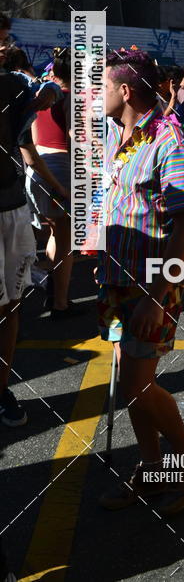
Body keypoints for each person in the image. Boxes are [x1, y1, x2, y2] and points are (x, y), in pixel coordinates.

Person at [98, 48, 184, 516]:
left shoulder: (168, 137)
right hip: (117, 281)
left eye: (100, 85)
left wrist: (155, 298)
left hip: (150, 287)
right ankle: (153, 469)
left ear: (124, 91)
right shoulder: (118, 135)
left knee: (138, 385)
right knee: (129, 381)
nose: (94, 94)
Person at [27, 47, 77, 317]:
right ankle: (60, 301)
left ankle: (52, 291)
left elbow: (32, 138)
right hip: (61, 167)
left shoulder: (38, 97)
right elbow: (72, 138)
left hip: (37, 166)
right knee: (65, 238)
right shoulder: (73, 100)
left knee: (54, 231)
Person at [0, 66, 37, 426]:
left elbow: (45, 92)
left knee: (11, 306)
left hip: (13, 208)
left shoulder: (13, 83)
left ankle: (1, 388)